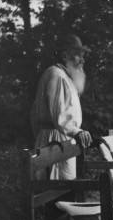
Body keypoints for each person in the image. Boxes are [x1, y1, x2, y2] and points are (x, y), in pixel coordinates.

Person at [30, 34, 93, 180]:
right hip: (55, 141)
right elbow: (61, 117)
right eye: (78, 56)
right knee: (56, 190)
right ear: (65, 56)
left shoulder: (63, 76)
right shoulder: (57, 75)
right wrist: (77, 132)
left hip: (61, 140)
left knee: (61, 190)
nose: (82, 60)